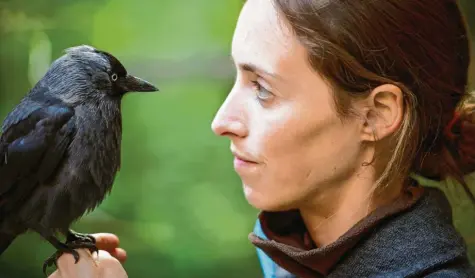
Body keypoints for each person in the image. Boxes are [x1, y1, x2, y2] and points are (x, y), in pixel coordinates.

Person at [49, 0, 475, 277]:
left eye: (263, 89)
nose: (222, 121)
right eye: (237, 76)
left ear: (377, 115)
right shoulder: (296, 253)